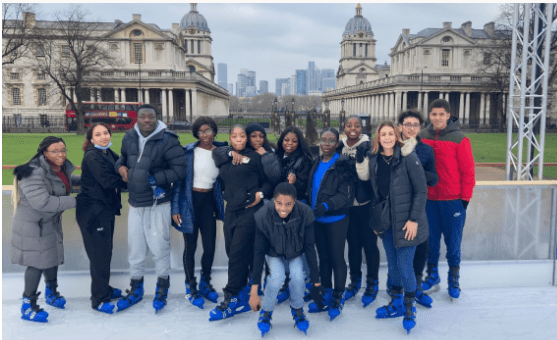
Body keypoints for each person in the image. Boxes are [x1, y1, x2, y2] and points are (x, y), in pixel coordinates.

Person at [355, 121, 429, 334]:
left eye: (390, 134)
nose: (387, 137)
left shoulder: (408, 159)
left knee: (405, 266)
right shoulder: (375, 161)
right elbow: (375, 193)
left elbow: (421, 191)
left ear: (397, 136)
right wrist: (377, 221)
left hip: (407, 224)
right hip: (387, 224)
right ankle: (396, 302)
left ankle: (409, 306)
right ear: (378, 138)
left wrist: (414, 220)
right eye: (382, 134)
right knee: (394, 266)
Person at [114, 104, 187, 313]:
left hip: (158, 203)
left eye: (151, 117)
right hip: (136, 203)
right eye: (143, 117)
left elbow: (180, 170)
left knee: (159, 248)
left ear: (157, 118)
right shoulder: (129, 137)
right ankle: (136, 289)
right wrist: (119, 166)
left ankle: (162, 288)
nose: (147, 120)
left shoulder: (168, 140)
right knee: (135, 250)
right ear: (136, 118)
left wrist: (155, 179)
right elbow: (123, 157)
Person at [11, 136, 80, 323]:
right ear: (44, 153)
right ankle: (27, 305)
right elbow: (43, 201)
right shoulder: (33, 171)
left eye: (63, 150)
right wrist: (79, 201)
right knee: (36, 264)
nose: (61, 155)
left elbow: (64, 183)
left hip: (49, 222)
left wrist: (90, 182)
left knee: (52, 257)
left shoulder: (58, 168)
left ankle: (51, 292)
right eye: (55, 151)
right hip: (33, 226)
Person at [209, 125, 273, 321]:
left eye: (242, 135)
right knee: (232, 252)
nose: (238, 138)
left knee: (237, 254)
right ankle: (244, 292)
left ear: (246, 138)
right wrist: (229, 151)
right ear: (230, 137)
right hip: (231, 211)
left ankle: (231, 297)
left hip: (250, 211)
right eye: (234, 136)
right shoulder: (224, 155)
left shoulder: (255, 157)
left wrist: (260, 195)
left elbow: (270, 182)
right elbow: (216, 153)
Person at [249, 183, 325, 336]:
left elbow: (310, 248)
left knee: (298, 277)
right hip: (274, 253)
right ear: (273, 201)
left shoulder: (305, 213)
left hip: (295, 253)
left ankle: (297, 309)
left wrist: (316, 282)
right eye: (279, 203)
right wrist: (254, 290)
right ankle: (266, 311)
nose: (283, 208)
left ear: (295, 202)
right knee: (276, 278)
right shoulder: (263, 216)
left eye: (288, 204)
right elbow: (258, 252)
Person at [418, 99, 476, 300]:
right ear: (430, 116)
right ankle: (432, 275)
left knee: (453, 243)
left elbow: (468, 172)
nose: (437, 118)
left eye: (441, 114)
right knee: (430, 242)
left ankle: (454, 279)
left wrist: (464, 200)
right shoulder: (422, 136)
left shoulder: (460, 139)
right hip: (429, 200)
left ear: (448, 116)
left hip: (452, 200)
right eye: (434, 114)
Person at [171, 117, 227, 309]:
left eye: (208, 130)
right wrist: (175, 208)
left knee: (210, 246)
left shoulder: (222, 152)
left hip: (209, 202)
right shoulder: (188, 152)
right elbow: (178, 183)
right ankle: (191, 286)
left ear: (214, 131)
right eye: (201, 132)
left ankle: (205, 282)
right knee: (191, 246)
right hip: (189, 202)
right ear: (196, 134)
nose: (205, 135)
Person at [76, 123, 128, 314]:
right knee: (100, 256)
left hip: (104, 210)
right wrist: (132, 182)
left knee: (105, 252)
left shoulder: (107, 152)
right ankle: (99, 299)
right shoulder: (92, 155)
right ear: (91, 139)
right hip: (93, 212)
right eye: (98, 134)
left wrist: (126, 169)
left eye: (106, 133)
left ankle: (104, 288)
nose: (104, 137)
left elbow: (121, 163)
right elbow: (107, 180)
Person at [306, 128, 355, 321]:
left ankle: (338, 296)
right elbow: (312, 188)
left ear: (336, 144)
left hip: (336, 219)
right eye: (323, 139)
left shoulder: (343, 163)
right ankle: (325, 292)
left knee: (336, 258)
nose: (326, 143)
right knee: (323, 259)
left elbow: (346, 196)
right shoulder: (317, 162)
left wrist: (326, 206)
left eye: (331, 140)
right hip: (317, 219)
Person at [394, 110, 438, 308]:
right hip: (396, 206)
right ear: (400, 126)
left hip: (418, 206)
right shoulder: (392, 146)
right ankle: (396, 289)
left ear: (420, 128)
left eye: (415, 125)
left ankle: (416, 287)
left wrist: (419, 174)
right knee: (399, 248)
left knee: (421, 246)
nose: (411, 128)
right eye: (407, 124)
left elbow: (434, 178)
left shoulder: (426, 150)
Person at [336, 116, 381, 307]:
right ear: (344, 128)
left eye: (357, 126)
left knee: (370, 247)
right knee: (353, 247)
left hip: (366, 205)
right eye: (349, 125)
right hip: (348, 207)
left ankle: (372, 284)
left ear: (361, 129)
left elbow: (371, 176)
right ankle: (354, 282)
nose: (353, 129)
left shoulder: (369, 146)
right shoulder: (340, 147)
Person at [273, 126, 314, 303]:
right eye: (286, 140)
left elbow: (305, 188)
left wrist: (295, 183)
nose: (289, 143)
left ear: (299, 143)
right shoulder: (277, 158)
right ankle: (288, 284)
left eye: (294, 141)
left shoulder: (304, 160)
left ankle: (307, 282)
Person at [245, 122, 282, 189]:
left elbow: (275, 177)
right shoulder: (241, 152)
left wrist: (266, 156)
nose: (258, 140)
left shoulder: (271, 151)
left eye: (261, 136)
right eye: (254, 136)